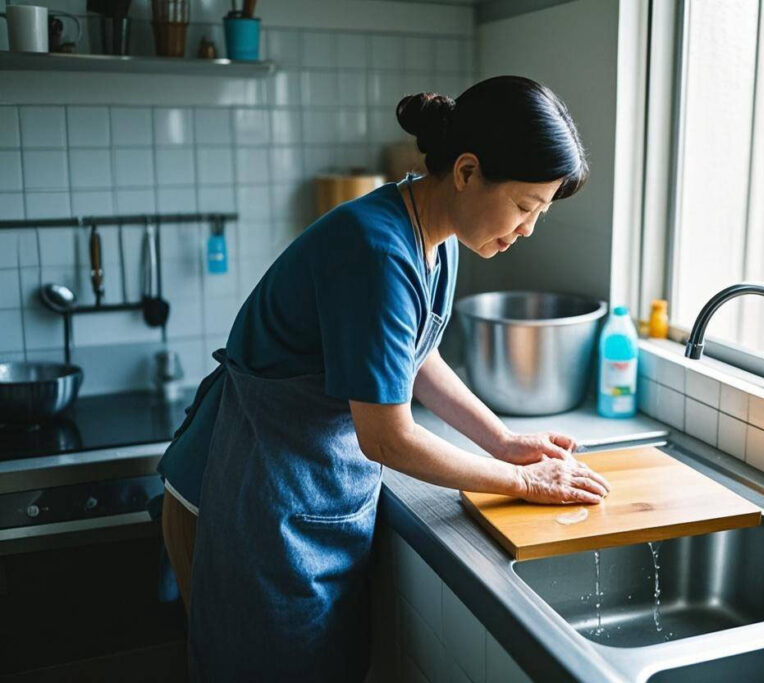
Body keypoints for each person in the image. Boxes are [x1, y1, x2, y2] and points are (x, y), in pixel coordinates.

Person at [157, 75, 609, 682]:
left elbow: (414, 358)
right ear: (468, 172)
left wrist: (501, 440)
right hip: (245, 492)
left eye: (540, 213)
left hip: (302, 489)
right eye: (526, 206)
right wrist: (521, 481)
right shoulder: (374, 249)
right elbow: (388, 439)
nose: (528, 229)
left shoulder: (435, 233)